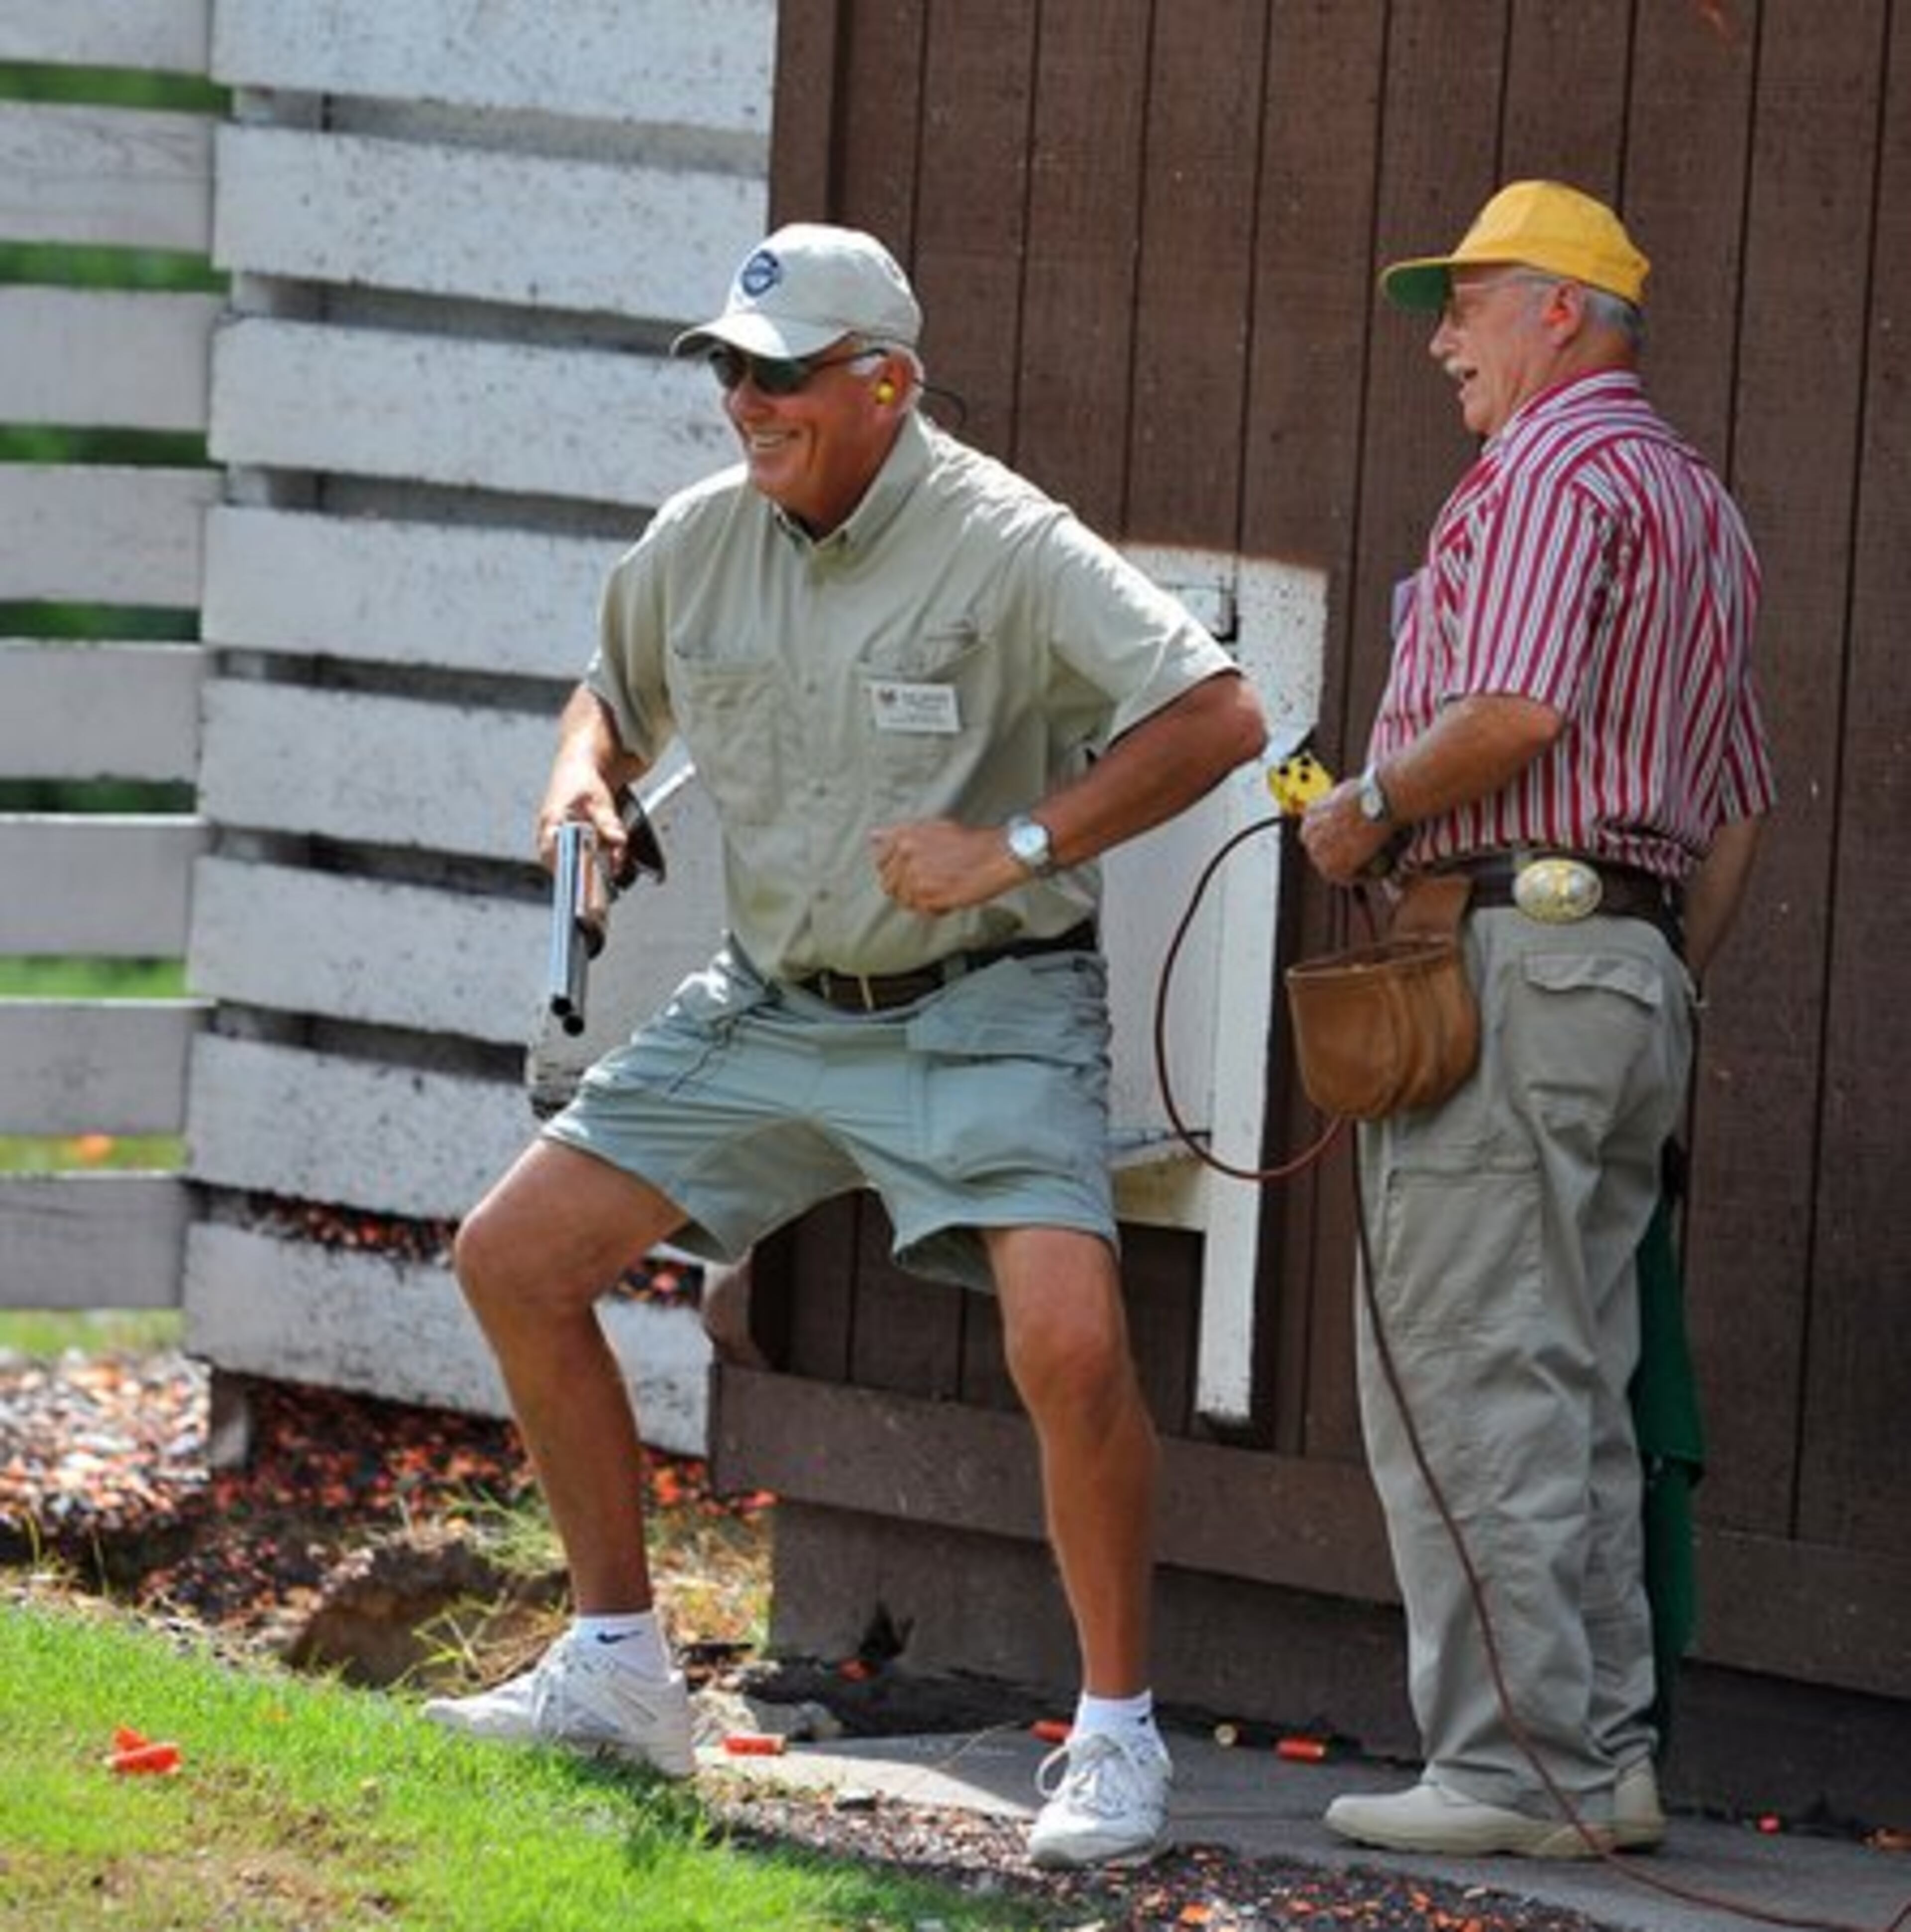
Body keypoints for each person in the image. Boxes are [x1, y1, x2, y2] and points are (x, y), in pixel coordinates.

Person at [423, 221, 1268, 1869]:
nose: (748, 400)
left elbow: (1221, 712)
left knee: (1073, 1346)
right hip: (773, 997)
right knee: (511, 1258)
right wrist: (578, 779)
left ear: (888, 382)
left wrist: (1014, 843)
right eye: (731, 369)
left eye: (785, 373)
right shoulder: (699, 540)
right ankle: (616, 1669)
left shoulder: (1005, 539)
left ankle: (1115, 1737)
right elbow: (611, 691)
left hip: (989, 1001)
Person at [1298, 181, 1774, 1859]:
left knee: (1473, 1373)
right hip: (1631, 976)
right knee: (1575, 1379)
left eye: (1469, 302)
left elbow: (1513, 706)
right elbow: (1739, 817)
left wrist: (1363, 811)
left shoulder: (1553, 468)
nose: (1443, 340)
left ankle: (1507, 1773)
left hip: (1515, 950)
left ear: (1560, 311)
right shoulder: (1702, 506)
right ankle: (1608, 1761)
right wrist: (1648, 975)